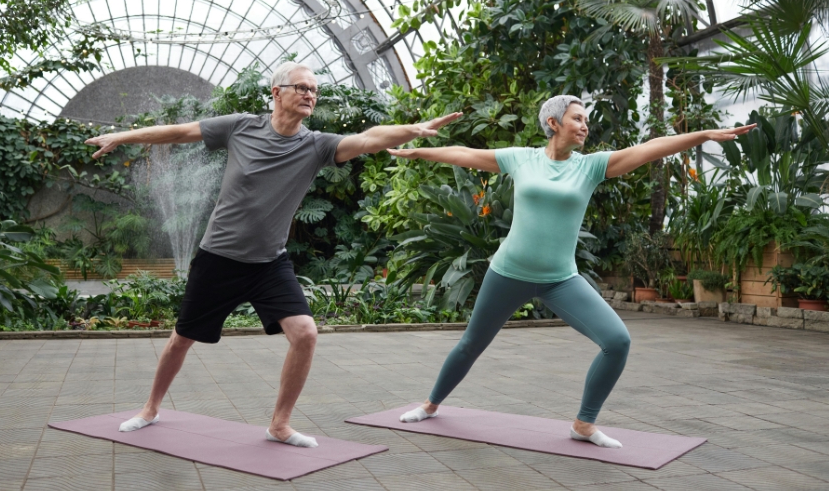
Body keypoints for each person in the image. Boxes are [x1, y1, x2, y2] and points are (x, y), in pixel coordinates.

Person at [85, 61, 461, 448]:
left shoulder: (317, 145)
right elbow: (181, 132)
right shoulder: (241, 126)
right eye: (301, 87)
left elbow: (368, 138)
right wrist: (125, 137)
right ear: (276, 92)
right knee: (182, 338)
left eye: (314, 90)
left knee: (305, 334)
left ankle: (279, 424)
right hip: (219, 257)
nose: (309, 95)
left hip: (269, 263)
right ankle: (150, 409)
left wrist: (414, 130)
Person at [388, 95, 755, 448]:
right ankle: (431, 404)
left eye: (586, 120)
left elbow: (651, 148)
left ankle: (584, 423)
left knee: (617, 341)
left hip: (560, 280)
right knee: (471, 344)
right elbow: (465, 154)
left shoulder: (591, 166)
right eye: (577, 118)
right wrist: (419, 150)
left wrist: (703, 135)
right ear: (553, 123)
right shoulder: (522, 159)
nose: (585, 126)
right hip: (508, 273)